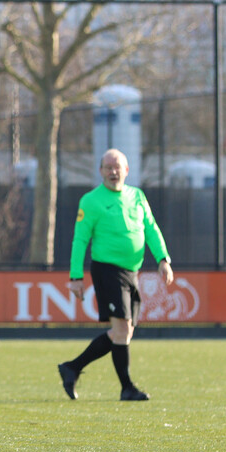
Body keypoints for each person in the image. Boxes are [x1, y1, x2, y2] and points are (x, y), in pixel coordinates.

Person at [58, 148, 173, 402]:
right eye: (108, 167)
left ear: (127, 170)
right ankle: (127, 388)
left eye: (117, 166)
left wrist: (163, 259)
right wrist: (76, 277)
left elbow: (151, 228)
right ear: (100, 172)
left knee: (125, 331)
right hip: (107, 269)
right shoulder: (91, 201)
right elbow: (80, 240)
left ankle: (72, 367)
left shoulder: (137, 196)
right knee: (121, 328)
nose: (113, 171)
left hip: (132, 270)